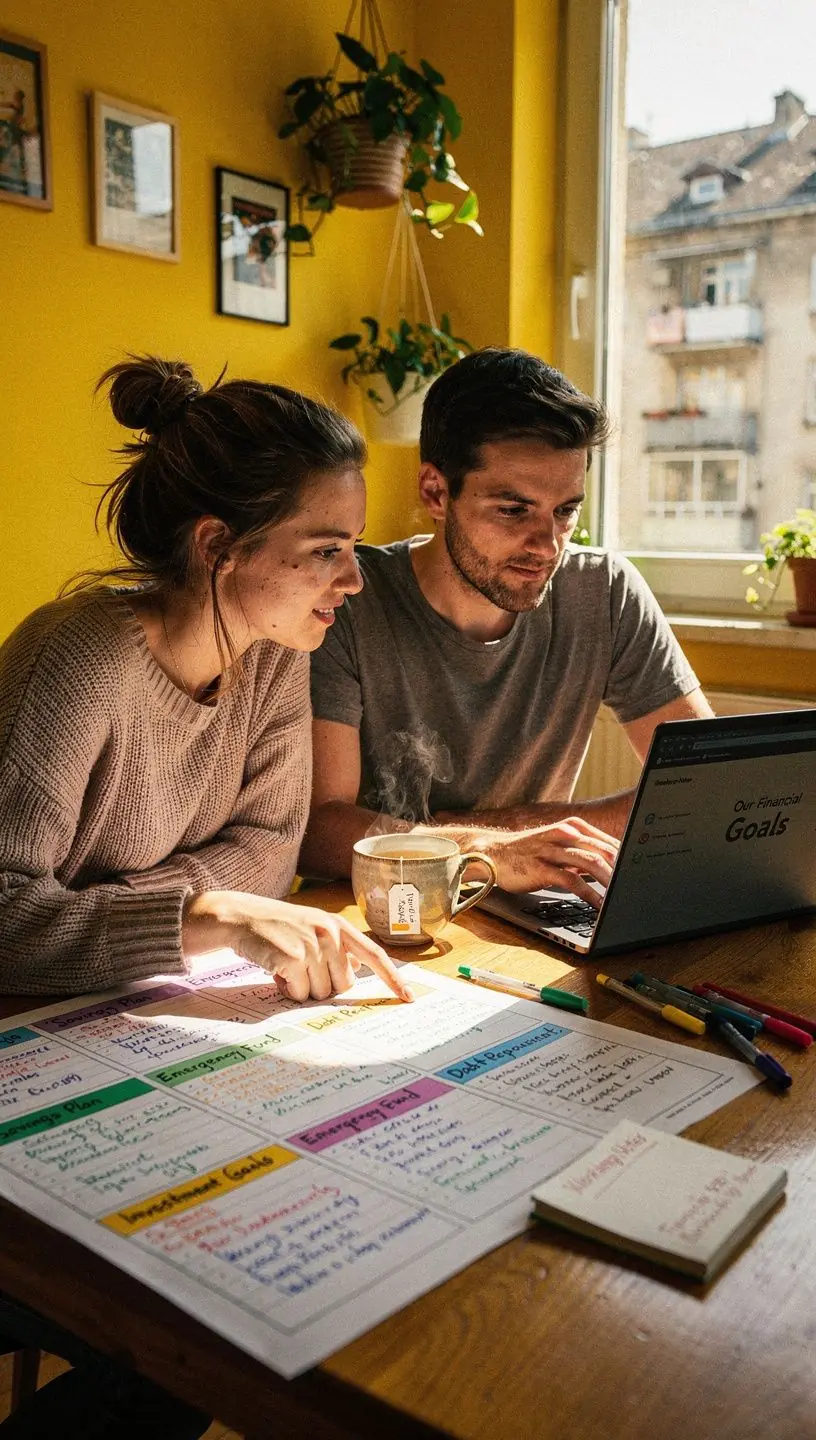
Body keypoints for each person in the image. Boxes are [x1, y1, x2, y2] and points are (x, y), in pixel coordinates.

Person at [0, 354, 410, 1436]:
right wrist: (197, 914)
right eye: (326, 551)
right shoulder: (79, 662)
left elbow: (270, 853)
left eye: (354, 548)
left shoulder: (275, 654)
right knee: (176, 1343)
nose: (353, 581)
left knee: (240, 1272)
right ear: (218, 546)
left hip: (116, 1036)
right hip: (26, 1073)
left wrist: (126, 907)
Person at [303, 347, 713, 905]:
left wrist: (521, 837)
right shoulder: (345, 599)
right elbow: (317, 830)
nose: (547, 546)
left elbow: (701, 786)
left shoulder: (604, 591)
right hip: (375, 913)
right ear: (435, 492)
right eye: (513, 510)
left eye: (565, 511)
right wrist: (492, 849)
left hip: (529, 907)